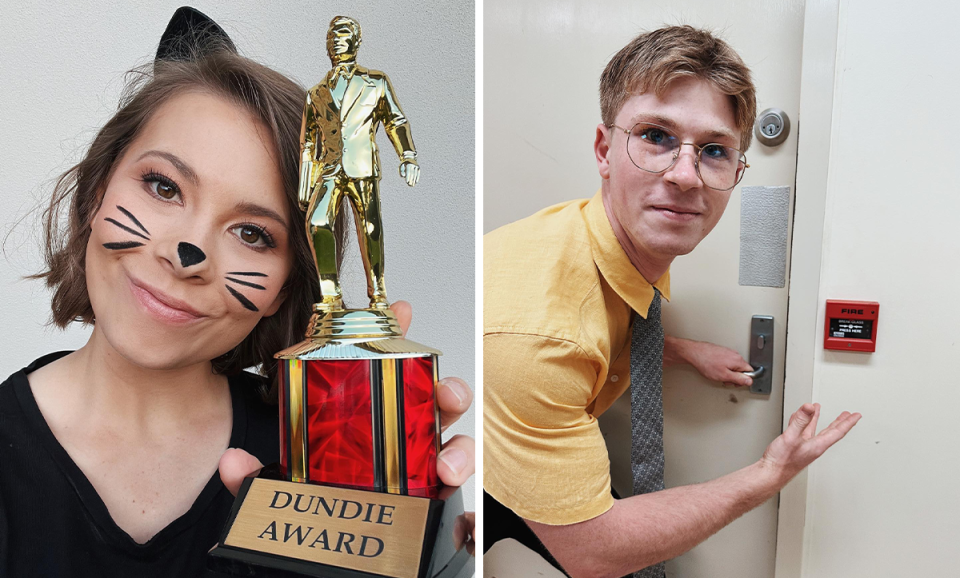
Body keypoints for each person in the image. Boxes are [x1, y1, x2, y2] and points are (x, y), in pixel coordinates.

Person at [0, 8, 474, 576]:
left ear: (283, 288)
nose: (188, 253)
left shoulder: (318, 459)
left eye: (252, 234)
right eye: (163, 186)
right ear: (98, 189)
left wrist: (412, 530)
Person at [483, 25, 860, 578]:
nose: (686, 177)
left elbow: (594, 329)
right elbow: (596, 551)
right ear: (604, 150)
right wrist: (768, 474)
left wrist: (680, 350)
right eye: (656, 136)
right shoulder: (537, 337)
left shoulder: (610, 242)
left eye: (713, 150)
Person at [300, 15, 420, 311]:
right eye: (331, 35)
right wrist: (304, 184)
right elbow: (307, 143)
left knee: (370, 228)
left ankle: (377, 292)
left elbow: (396, 121)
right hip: (329, 169)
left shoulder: (376, 82)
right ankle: (330, 294)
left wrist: (407, 155)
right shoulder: (316, 93)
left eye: (342, 33)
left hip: (362, 166)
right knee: (317, 222)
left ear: (356, 41)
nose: (336, 39)